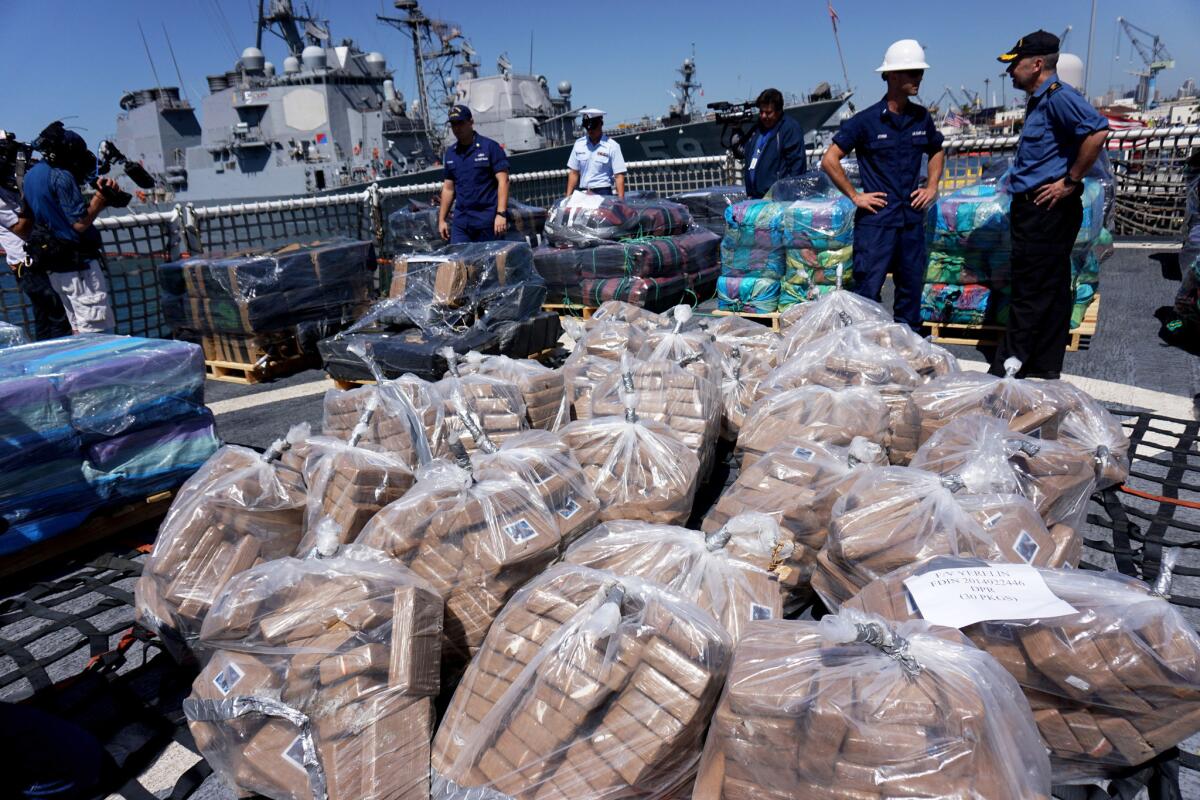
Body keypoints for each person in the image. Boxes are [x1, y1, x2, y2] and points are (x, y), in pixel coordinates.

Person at [991, 30, 1108, 379]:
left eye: (1016, 64)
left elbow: (1097, 131)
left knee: (1029, 289)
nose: (1010, 71)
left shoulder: (1058, 97)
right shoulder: (1039, 100)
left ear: (1037, 64)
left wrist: (1070, 181)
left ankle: (1010, 368)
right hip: (1040, 209)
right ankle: (1044, 367)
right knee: (1052, 289)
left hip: (1045, 209)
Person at [821, 39, 944, 331]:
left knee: (911, 289)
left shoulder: (921, 118)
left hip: (911, 220)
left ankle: (911, 348)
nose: (919, 79)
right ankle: (866, 351)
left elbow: (937, 150)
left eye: (920, 72)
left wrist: (932, 187)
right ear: (893, 75)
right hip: (877, 222)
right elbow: (830, 160)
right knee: (867, 290)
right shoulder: (866, 122)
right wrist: (855, 196)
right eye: (913, 73)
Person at [21, 122, 116, 334]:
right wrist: (100, 200)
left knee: (76, 328)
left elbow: (26, 219)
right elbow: (79, 223)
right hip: (78, 266)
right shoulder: (62, 176)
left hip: (55, 265)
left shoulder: (30, 176)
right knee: (97, 330)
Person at [0, 137, 70, 339]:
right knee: (58, 317)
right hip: (26, 264)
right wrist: (29, 198)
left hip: (39, 258)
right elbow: (21, 229)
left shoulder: (10, 184)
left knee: (45, 320)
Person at [437, 105, 511, 244]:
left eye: (461, 123)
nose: (457, 128)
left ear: (471, 122)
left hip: (487, 221)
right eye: (453, 124)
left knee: (489, 263)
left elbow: (504, 181)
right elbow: (448, 188)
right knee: (459, 262)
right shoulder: (451, 153)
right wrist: (442, 220)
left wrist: (501, 214)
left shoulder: (490, 147)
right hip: (462, 223)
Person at [743, 87, 807, 199]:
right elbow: (743, 152)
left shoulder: (789, 128)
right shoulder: (758, 129)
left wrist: (788, 195)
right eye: (761, 112)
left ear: (779, 111)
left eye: (768, 113)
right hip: (756, 197)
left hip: (778, 200)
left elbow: (797, 166)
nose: (763, 116)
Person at [565, 109, 626, 198]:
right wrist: (568, 197)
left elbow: (619, 176)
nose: (590, 131)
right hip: (583, 193)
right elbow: (574, 172)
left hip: (603, 193)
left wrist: (621, 201)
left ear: (601, 124)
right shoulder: (579, 144)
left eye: (593, 127)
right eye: (587, 128)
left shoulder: (612, 146)